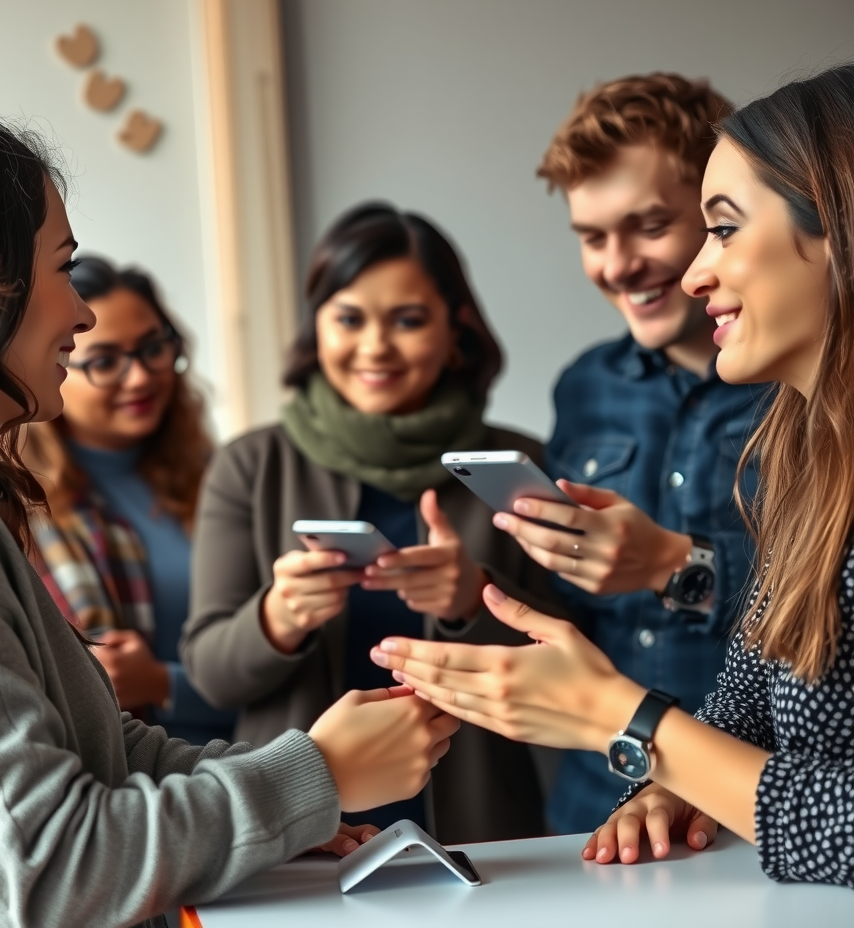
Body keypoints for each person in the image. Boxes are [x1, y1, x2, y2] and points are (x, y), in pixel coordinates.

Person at [0, 112, 460, 927]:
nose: (83, 315)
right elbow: (53, 872)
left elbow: (112, 755)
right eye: (65, 268)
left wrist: (290, 801)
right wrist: (315, 775)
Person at [370, 64, 854, 888]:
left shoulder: (778, 403)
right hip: (660, 804)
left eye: (719, 228)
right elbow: (743, 693)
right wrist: (664, 769)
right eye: (592, 237)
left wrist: (628, 696)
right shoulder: (806, 450)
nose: (688, 270)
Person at [181, 202, 560, 845]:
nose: (375, 346)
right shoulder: (250, 465)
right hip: (303, 832)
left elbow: (575, 661)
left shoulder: (518, 466)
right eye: (349, 318)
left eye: (407, 320)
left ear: (455, 328)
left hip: (483, 827)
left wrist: (473, 599)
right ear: (316, 327)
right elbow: (210, 672)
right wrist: (280, 616)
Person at [495, 74, 772, 833]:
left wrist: (676, 566)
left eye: (649, 226)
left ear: (720, 220)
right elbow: (577, 608)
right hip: (595, 797)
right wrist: (471, 587)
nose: (617, 265)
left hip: (759, 792)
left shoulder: (803, 379)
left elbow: (827, 600)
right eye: (592, 237)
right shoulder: (584, 388)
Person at [23, 256, 235, 745]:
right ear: (54, 362)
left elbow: (278, 664)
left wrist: (163, 683)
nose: (140, 377)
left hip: (259, 753)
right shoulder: (17, 508)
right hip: (130, 788)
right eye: (104, 361)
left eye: (152, 348)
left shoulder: (220, 478)